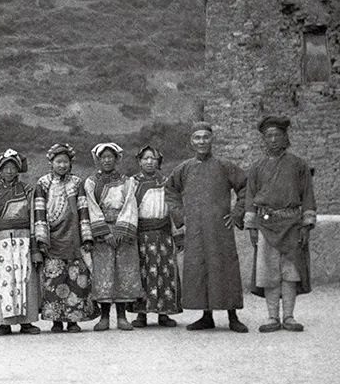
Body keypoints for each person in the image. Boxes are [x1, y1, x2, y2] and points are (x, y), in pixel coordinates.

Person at [167, 122, 249, 333]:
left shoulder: (225, 166)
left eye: (205, 137)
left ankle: (233, 316)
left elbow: (245, 187)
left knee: (226, 269)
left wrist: (237, 213)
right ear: (191, 141)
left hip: (220, 229)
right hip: (195, 230)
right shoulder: (184, 168)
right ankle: (206, 316)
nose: (201, 141)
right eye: (197, 138)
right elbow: (170, 191)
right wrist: (181, 216)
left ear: (212, 139)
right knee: (200, 269)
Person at [245, 116, 316, 333]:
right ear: (264, 140)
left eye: (278, 135)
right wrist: (252, 227)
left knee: (291, 271)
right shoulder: (257, 167)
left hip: (292, 225)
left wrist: (306, 225)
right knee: (268, 271)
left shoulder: (298, 165)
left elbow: (308, 196)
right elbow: (250, 197)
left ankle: (289, 316)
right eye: (269, 136)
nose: (273, 140)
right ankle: (272, 317)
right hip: (266, 225)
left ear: (286, 137)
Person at [34, 143, 98, 332]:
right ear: (51, 163)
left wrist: (86, 237)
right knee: (54, 281)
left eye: (65, 162)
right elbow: (39, 211)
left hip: (73, 238)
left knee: (75, 280)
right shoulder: (43, 184)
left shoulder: (77, 183)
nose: (62, 165)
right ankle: (56, 320)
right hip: (52, 239)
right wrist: (41, 238)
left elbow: (83, 210)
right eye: (58, 162)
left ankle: (72, 320)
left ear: (70, 163)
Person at [84, 142, 144, 331]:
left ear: (117, 159)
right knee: (104, 273)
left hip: (123, 232)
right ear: (98, 160)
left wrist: (120, 231)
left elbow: (130, 205)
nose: (107, 160)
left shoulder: (127, 182)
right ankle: (104, 317)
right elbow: (92, 207)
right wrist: (104, 232)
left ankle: (122, 316)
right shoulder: (91, 182)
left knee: (123, 273)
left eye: (110, 157)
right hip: (102, 235)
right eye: (103, 157)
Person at [0, 149, 41, 335]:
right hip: (1, 239)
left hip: (23, 238)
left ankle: (27, 322)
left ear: (18, 169)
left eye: (12, 167)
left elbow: (33, 217)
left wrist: (34, 245)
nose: (9, 171)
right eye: (5, 168)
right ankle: (4, 322)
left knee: (25, 278)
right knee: (4, 280)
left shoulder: (27, 190)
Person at [129, 145, 182, 328]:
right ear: (139, 161)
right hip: (141, 235)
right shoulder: (132, 183)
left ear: (159, 161)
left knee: (165, 272)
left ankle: (164, 313)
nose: (149, 162)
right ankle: (141, 314)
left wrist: (178, 234)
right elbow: (128, 209)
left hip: (163, 235)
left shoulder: (166, 182)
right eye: (145, 158)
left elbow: (174, 209)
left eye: (153, 158)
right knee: (142, 272)